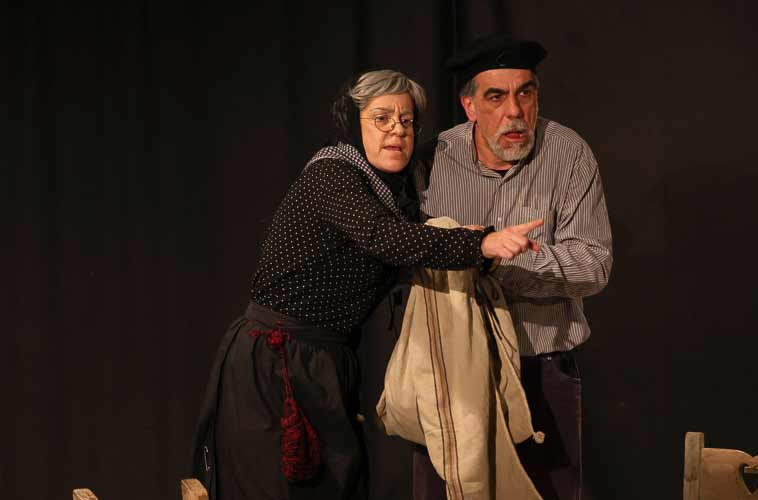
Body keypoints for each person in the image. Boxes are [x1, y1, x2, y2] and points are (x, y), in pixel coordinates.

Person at [190, 69, 542, 500]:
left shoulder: (386, 195)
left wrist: (458, 239)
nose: (398, 130)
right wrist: (481, 243)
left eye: (407, 121)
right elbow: (385, 238)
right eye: (382, 118)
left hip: (328, 362)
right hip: (275, 361)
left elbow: (403, 249)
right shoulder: (332, 174)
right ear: (352, 124)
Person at [413, 35, 613, 500]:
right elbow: (408, 254)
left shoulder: (568, 154)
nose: (515, 111)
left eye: (526, 93)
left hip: (540, 371)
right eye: (496, 97)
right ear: (469, 106)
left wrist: (501, 263)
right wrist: (479, 251)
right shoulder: (433, 160)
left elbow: (594, 264)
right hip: (450, 370)